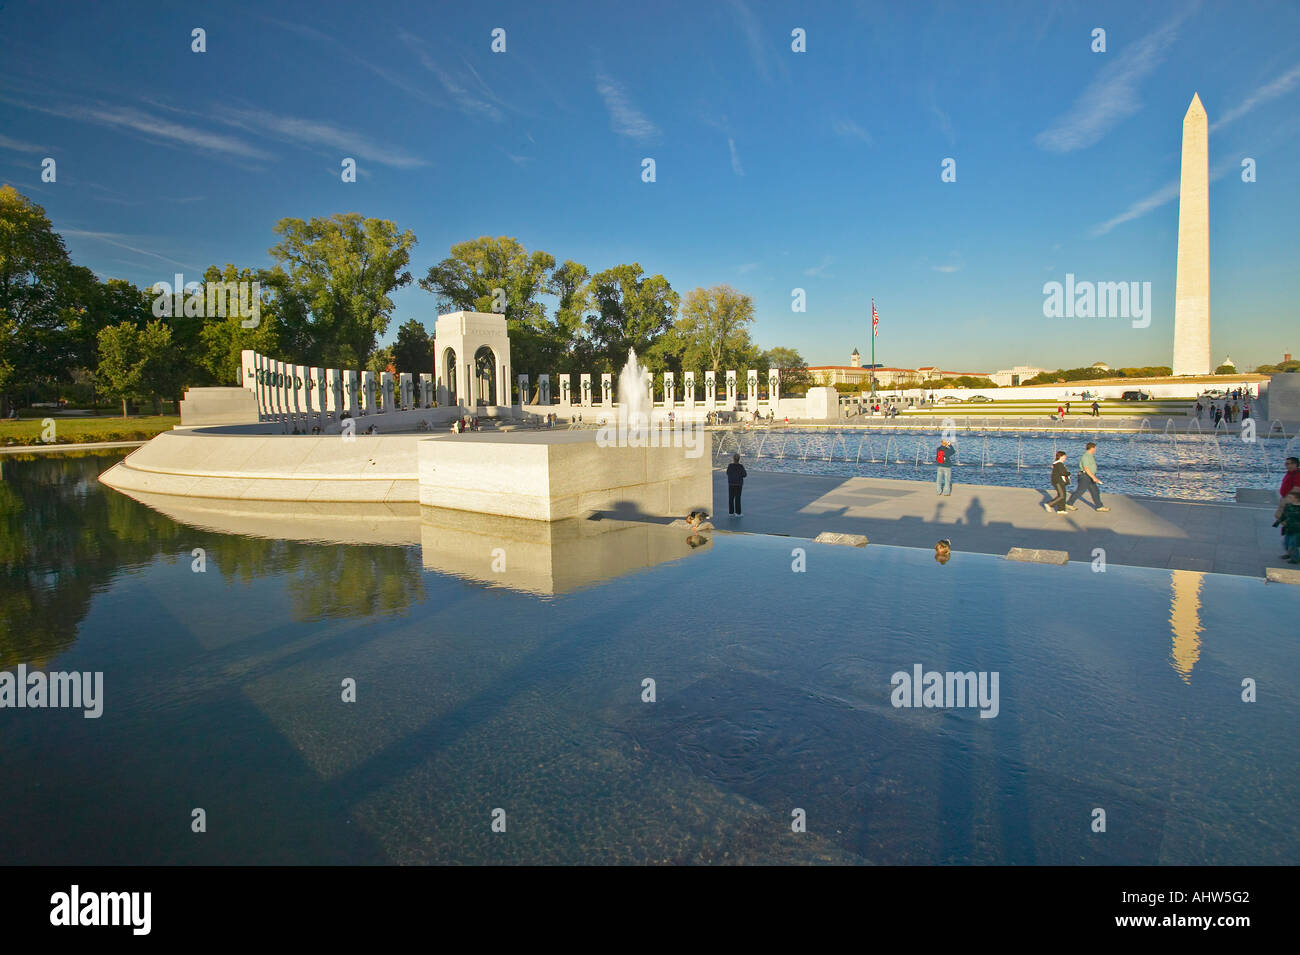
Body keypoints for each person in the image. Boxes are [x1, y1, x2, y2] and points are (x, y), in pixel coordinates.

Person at [1066, 441, 1109, 511]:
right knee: (1080, 491)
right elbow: (1086, 468)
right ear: (1092, 448)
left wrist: (1092, 476)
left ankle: (1099, 507)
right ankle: (1069, 504)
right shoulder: (1086, 456)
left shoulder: (1090, 456)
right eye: (1095, 448)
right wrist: (1094, 477)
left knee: (1095, 491)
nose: (1095, 450)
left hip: (1089, 476)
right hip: (1085, 476)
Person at [1275, 488, 1300, 564]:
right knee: (1286, 543)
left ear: (1296, 499)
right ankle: (1289, 554)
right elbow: (1284, 515)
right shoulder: (1288, 506)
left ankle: (1295, 558)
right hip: (1288, 528)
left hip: (1297, 529)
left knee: (1293, 544)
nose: (1288, 499)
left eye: (1290, 497)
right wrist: (1278, 522)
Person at [726, 452, 747, 516]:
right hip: (738, 484)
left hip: (731, 484)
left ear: (733, 459)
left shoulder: (730, 466)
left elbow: (727, 473)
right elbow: (744, 474)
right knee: (737, 498)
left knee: (731, 498)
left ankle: (731, 512)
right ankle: (738, 513)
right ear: (739, 459)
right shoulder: (741, 466)